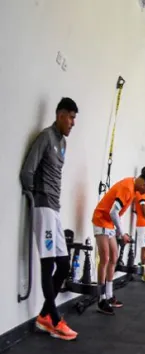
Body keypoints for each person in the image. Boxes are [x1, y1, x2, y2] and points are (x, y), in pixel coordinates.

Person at [20, 97, 79, 340]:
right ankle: (54, 319)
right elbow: (27, 172)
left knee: (64, 265)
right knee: (48, 264)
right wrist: (35, 197)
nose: (73, 123)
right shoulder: (45, 137)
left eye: (74, 118)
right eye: (71, 117)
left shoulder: (62, 143)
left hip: (55, 209)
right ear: (60, 115)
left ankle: (45, 314)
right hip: (43, 206)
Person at [91, 168, 145, 315]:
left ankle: (109, 295)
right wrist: (122, 234)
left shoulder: (133, 188)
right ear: (144, 184)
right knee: (105, 259)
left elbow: (115, 214)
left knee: (114, 258)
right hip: (101, 220)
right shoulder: (127, 188)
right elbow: (113, 212)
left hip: (109, 224)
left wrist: (119, 231)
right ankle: (101, 299)